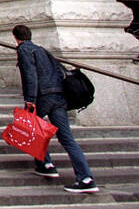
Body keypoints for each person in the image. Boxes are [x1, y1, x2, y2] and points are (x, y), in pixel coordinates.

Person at [13, 24, 99, 193]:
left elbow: (30, 76)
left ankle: (46, 164)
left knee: (30, 128)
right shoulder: (42, 50)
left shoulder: (24, 50)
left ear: (15, 37)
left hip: (43, 97)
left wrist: (30, 100)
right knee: (67, 138)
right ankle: (86, 178)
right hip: (59, 97)